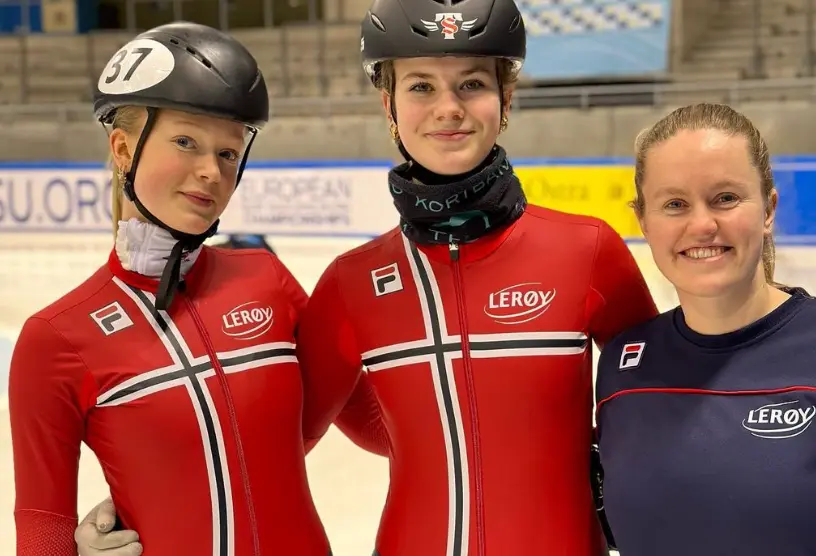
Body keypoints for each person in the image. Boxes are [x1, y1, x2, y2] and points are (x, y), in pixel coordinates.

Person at [75, 0, 659, 554]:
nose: (448, 107)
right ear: (389, 106)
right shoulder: (354, 282)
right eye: (421, 86)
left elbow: (670, 404)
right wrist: (136, 506)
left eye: (473, 84)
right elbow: (264, 447)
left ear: (506, 98)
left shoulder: (587, 250)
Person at [10, 21, 344, 556]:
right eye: (186, 141)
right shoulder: (55, 339)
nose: (211, 170)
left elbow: (358, 426)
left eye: (229, 153)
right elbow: (41, 529)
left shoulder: (267, 279)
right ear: (122, 149)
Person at [594, 103, 816, 556]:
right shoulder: (622, 362)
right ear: (643, 221)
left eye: (726, 198)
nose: (702, 225)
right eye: (675, 204)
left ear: (769, 209)